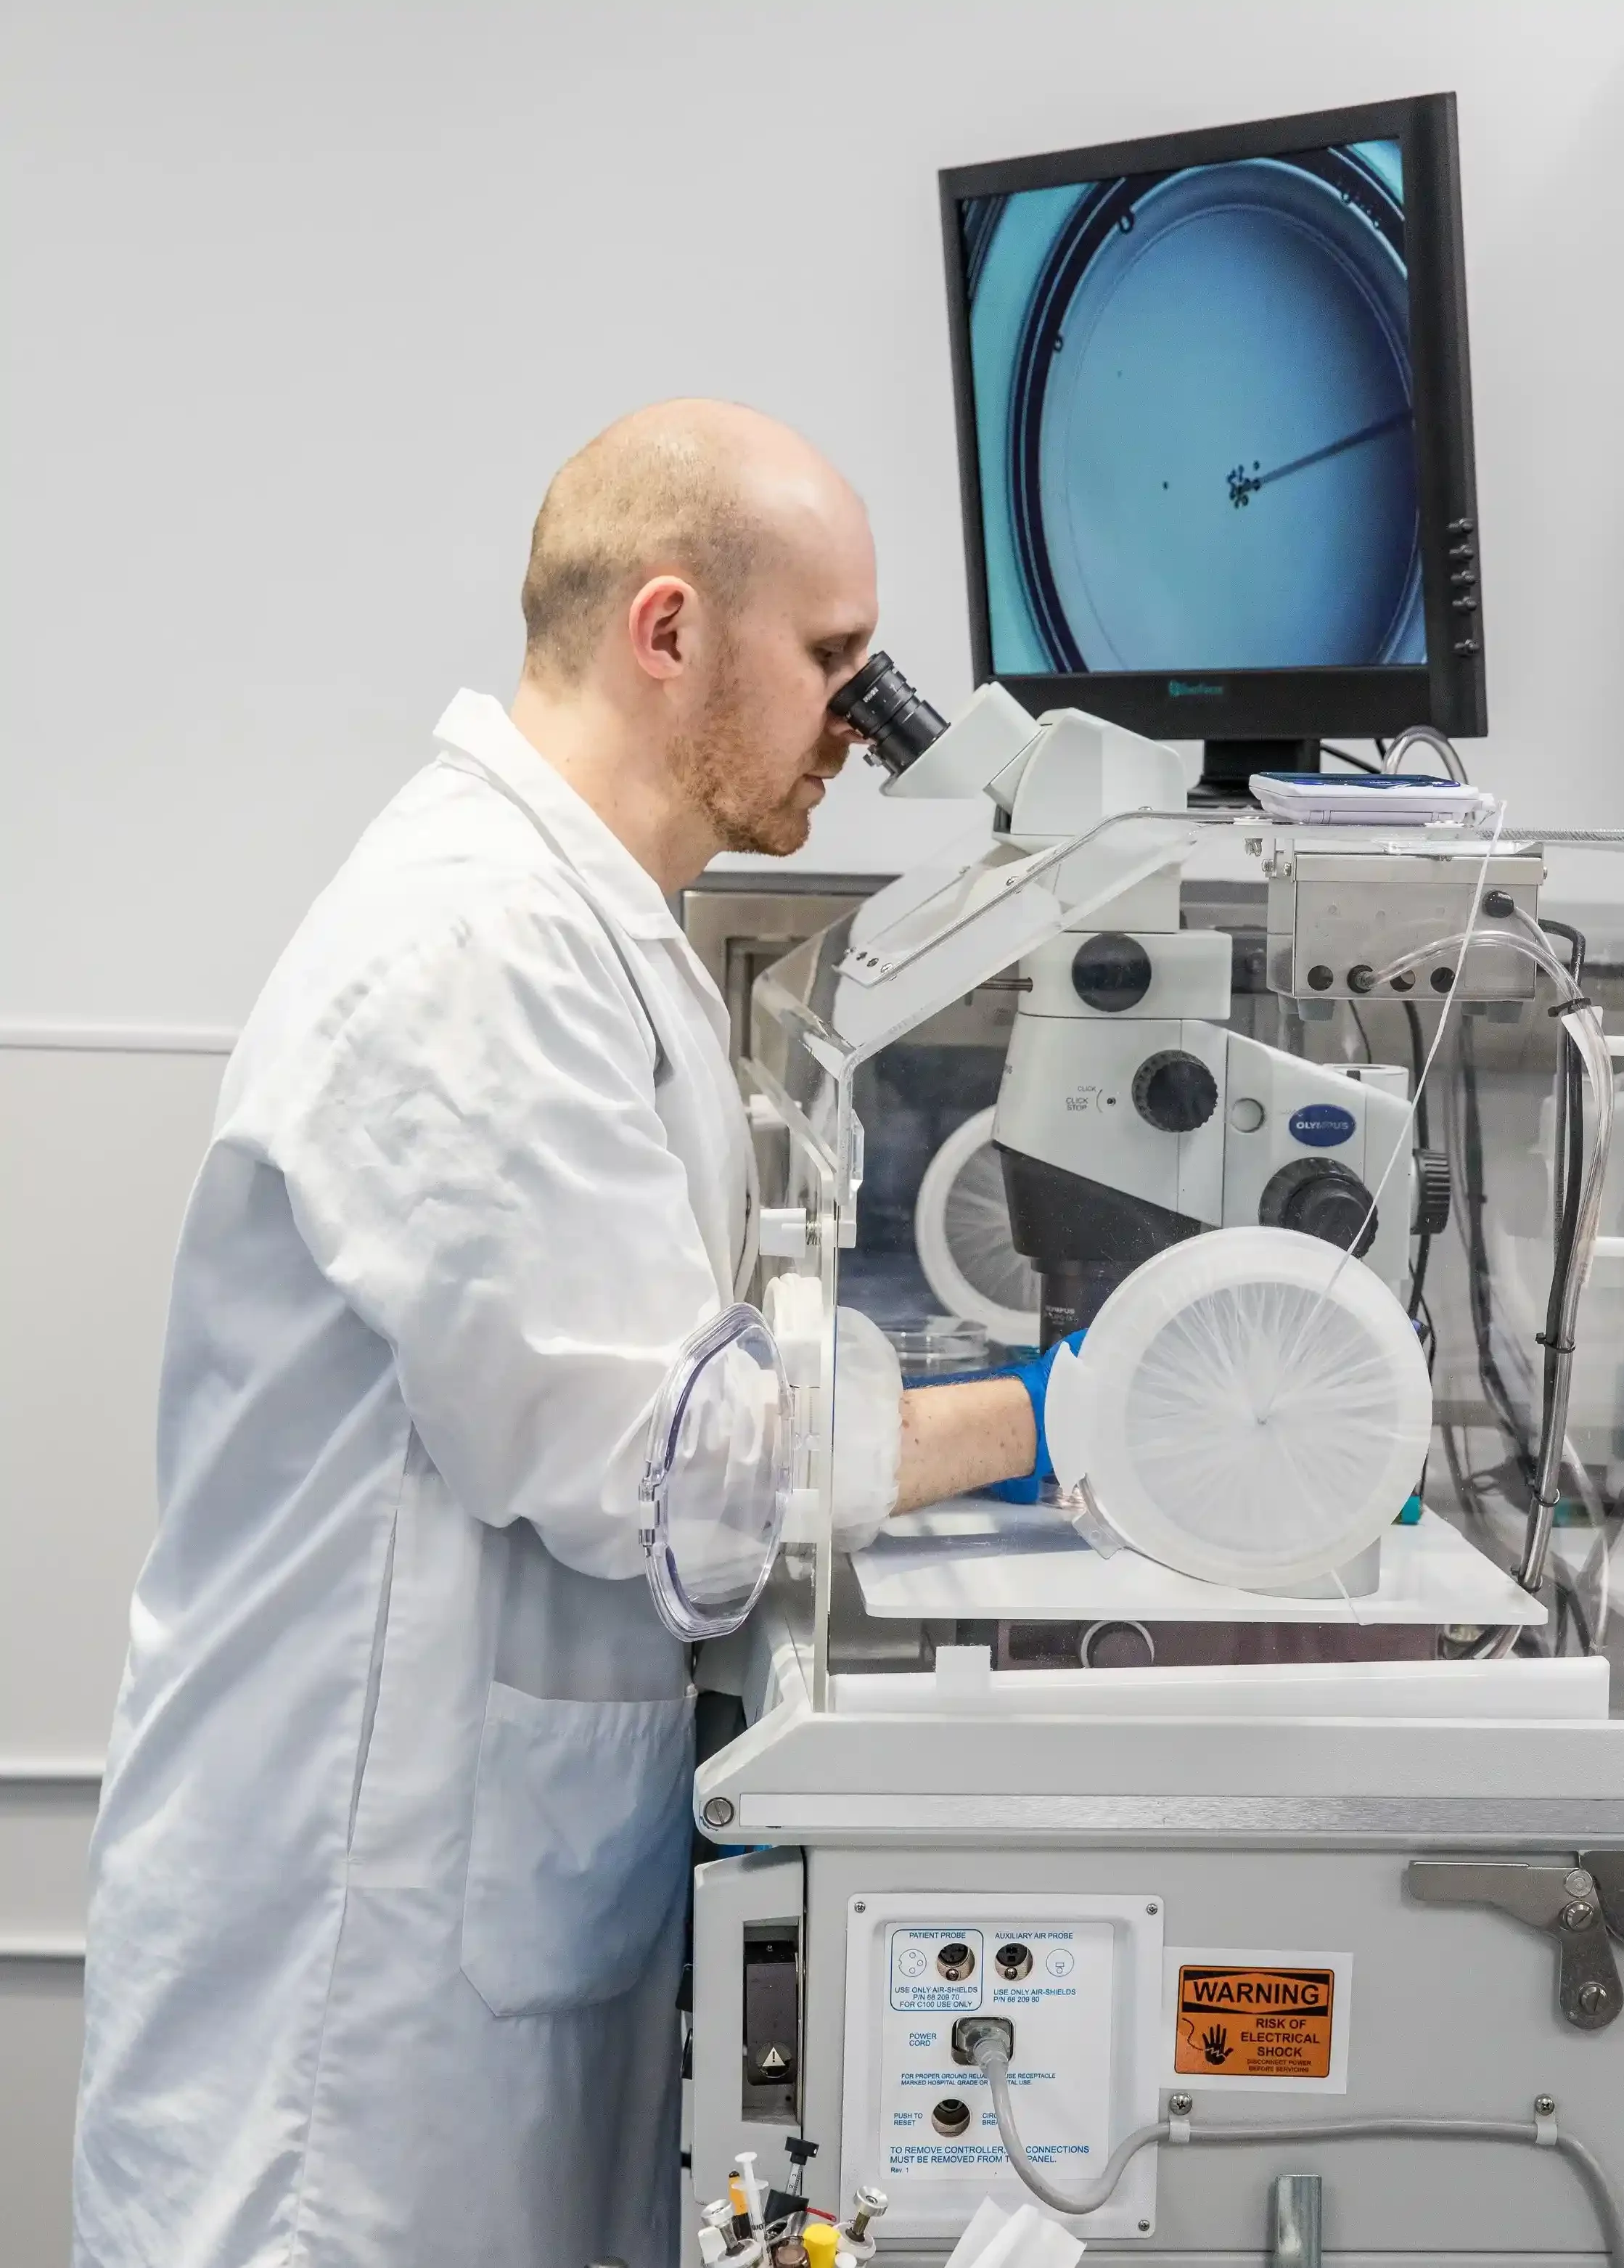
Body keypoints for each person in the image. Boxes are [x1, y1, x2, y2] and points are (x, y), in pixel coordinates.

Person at [71, 401, 1049, 2268]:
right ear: (666, 632)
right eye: (834, 658)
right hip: (353, 2025)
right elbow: (680, 1472)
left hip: (477, 1937)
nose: (864, 718)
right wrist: (1031, 1419)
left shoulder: (592, 925)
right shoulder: (474, 950)